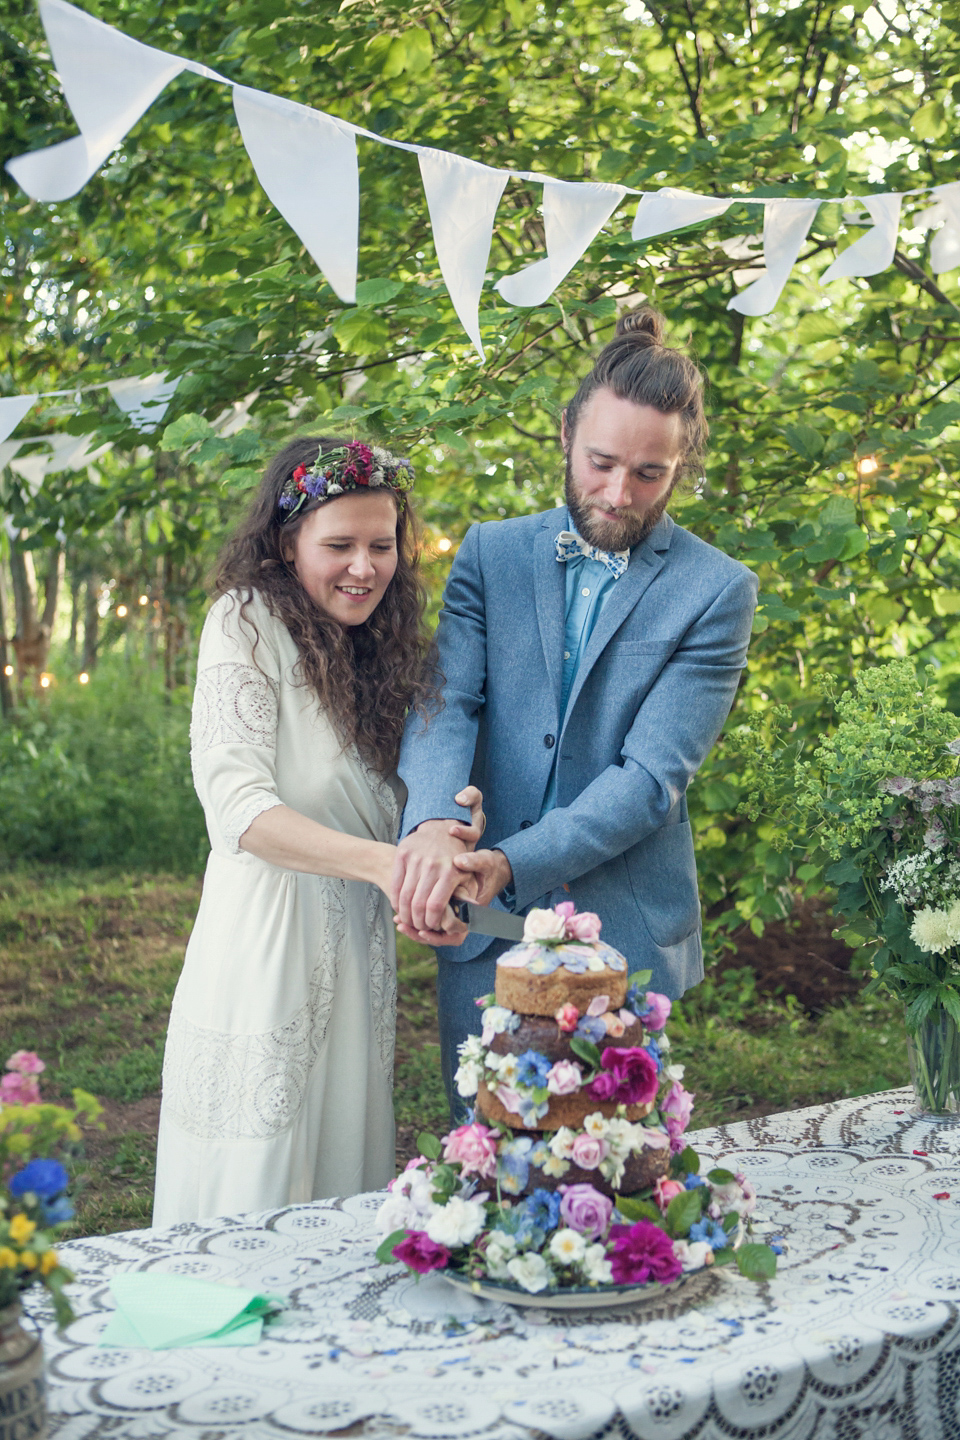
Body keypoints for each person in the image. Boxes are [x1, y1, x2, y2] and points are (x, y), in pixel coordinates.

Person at [393, 308, 759, 1115]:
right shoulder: (491, 551)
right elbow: (446, 700)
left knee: (613, 1170)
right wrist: (427, 825)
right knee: (485, 1156)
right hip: (485, 924)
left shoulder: (718, 590)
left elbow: (650, 778)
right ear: (565, 433)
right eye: (600, 463)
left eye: (649, 474)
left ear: (680, 465)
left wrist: (514, 858)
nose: (618, 494)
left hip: (622, 924)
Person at [153, 436, 482, 1225]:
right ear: (285, 541)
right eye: (338, 545)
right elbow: (238, 810)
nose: (364, 568)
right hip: (265, 941)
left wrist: (448, 835)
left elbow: (406, 796)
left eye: (381, 544)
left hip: (358, 943)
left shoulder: (386, 649)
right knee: (257, 1171)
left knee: (340, 1166)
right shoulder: (246, 621)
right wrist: (386, 865)